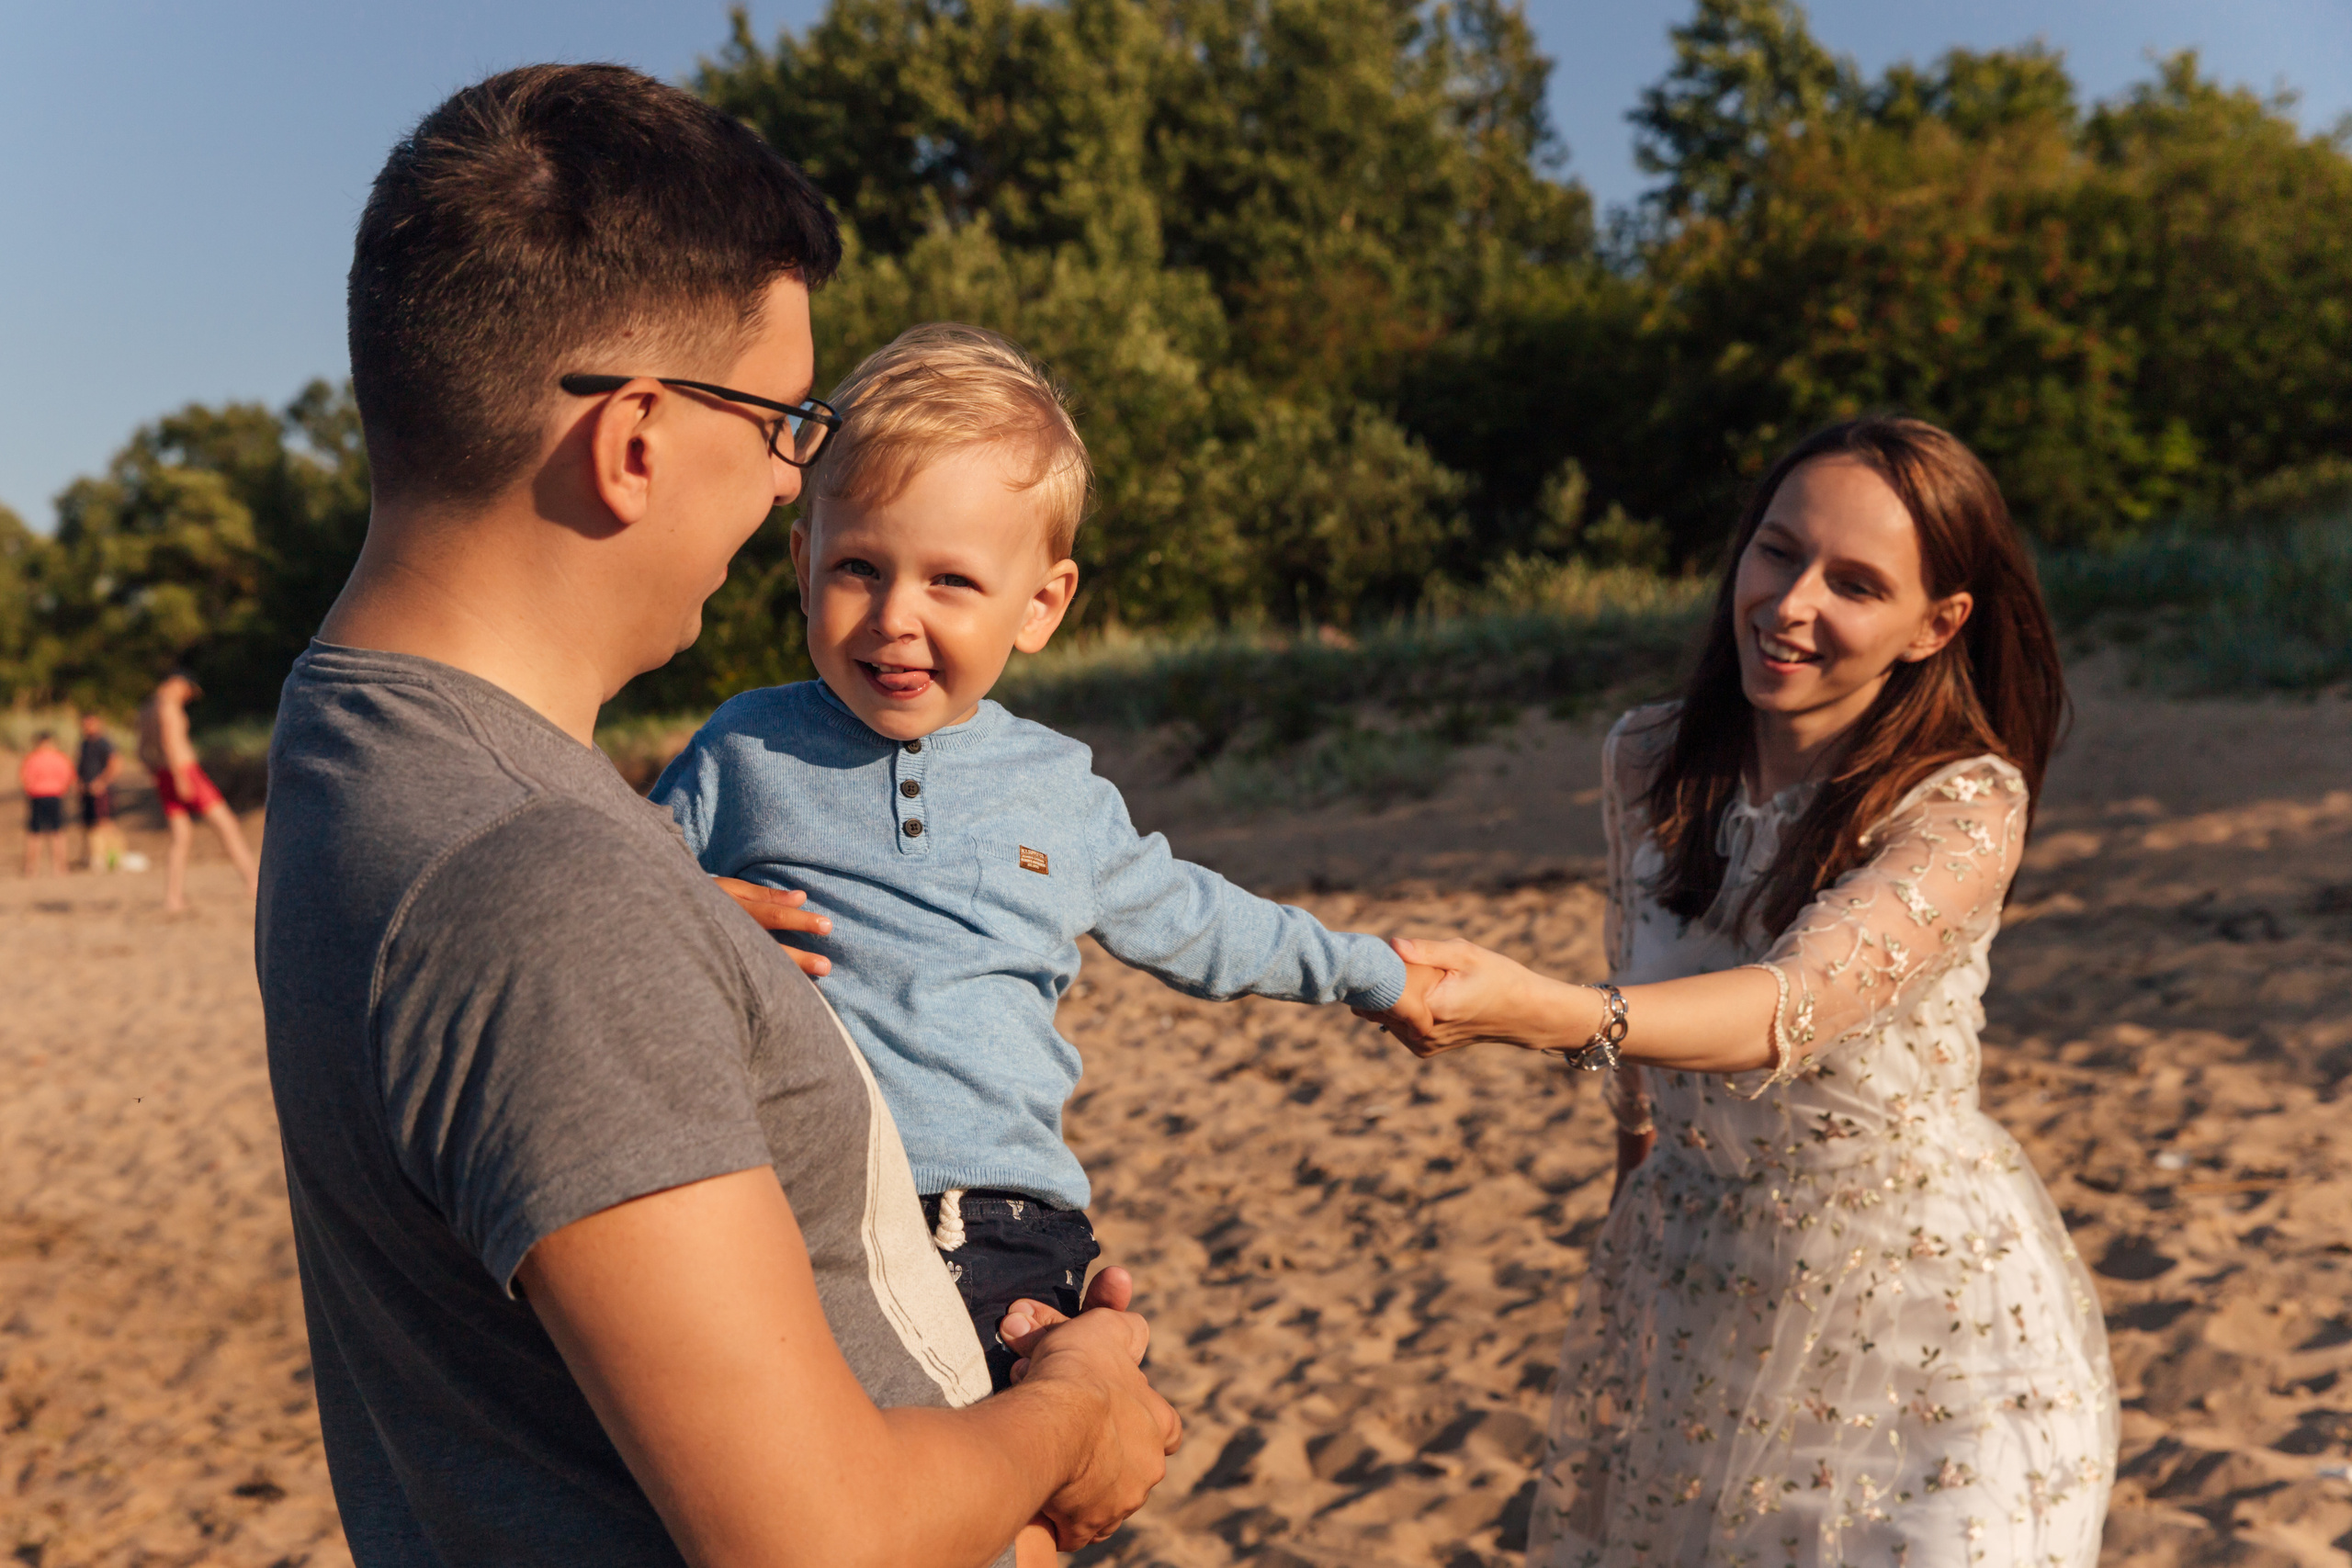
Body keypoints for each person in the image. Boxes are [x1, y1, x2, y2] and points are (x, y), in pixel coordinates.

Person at [259, 64, 1178, 1568]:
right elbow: (820, 1542)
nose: (786, 479)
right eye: (781, 422)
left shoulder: (352, 740)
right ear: (634, 441)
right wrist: (1079, 1413)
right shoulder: (540, 883)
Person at [649, 322, 1437, 1563]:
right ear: (800, 561)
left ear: (1041, 603)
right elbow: (614, 891)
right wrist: (691, 907)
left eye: (950, 582)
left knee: (1009, 1511)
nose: (894, 617)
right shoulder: (743, 749)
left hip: (1009, 1222)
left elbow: (1199, 920)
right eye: (857, 567)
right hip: (803, 1209)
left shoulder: (1056, 788)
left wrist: (1368, 971)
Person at [1370, 416, 2118, 1566]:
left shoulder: (1963, 805)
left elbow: (1792, 1007)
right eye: (1778, 551)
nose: (1790, 603)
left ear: (1936, 624)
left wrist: (1540, 1012)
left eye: (1854, 584)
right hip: (1699, 1293)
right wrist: (1632, 1208)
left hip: (1928, 1323)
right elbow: (1639, 1018)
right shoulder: (1647, 758)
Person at [137, 670, 258, 911]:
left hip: (163, 774)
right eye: (188, 691)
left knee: (180, 837)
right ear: (177, 683)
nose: (189, 697)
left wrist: (159, 774)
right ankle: (253, 882)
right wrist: (181, 778)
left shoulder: (147, 710)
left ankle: (173, 897)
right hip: (185, 773)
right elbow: (170, 743)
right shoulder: (168, 707)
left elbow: (141, 750)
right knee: (227, 826)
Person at [18, 731, 73, 876]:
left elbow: (25, 778)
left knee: (35, 832)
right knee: (57, 832)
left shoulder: (32, 758)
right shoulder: (60, 758)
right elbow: (68, 777)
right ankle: (60, 867)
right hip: (55, 796)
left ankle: (31, 868)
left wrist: (32, 790)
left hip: (37, 796)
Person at [75, 713, 124, 871]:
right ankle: (93, 857)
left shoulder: (104, 743)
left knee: (104, 823)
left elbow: (116, 764)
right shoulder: (84, 744)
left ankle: (112, 858)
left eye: (90, 724)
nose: (87, 728)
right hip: (87, 792)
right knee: (89, 824)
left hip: (102, 791)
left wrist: (102, 782)